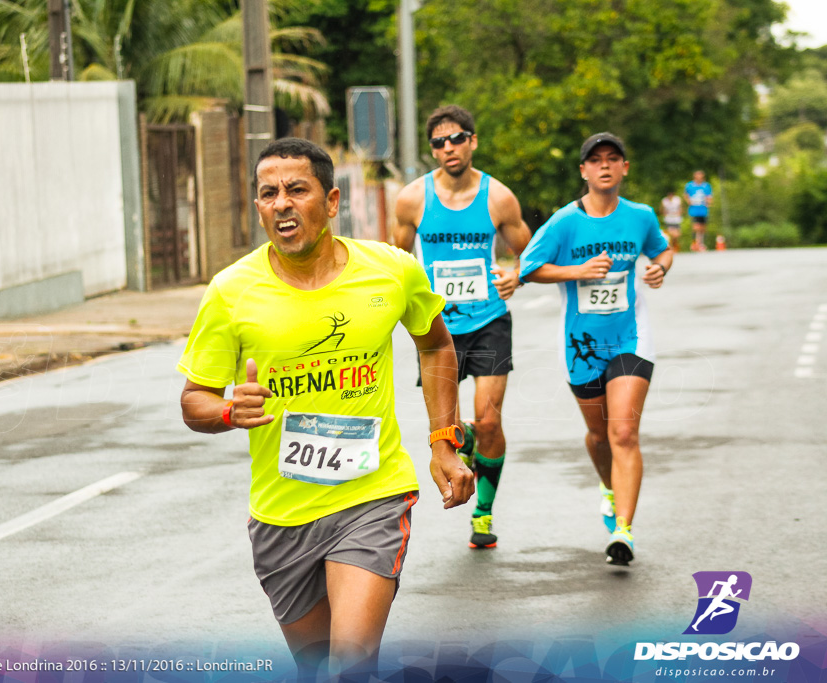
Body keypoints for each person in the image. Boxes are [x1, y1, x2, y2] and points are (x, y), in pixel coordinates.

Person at [177, 138, 474, 680]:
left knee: (352, 663)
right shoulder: (231, 291)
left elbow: (435, 345)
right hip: (281, 516)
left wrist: (442, 442)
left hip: (372, 497)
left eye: (297, 189)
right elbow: (193, 399)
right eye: (268, 194)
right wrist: (226, 412)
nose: (282, 203)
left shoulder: (391, 271)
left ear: (331, 201)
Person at [519, 132, 673, 566]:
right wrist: (577, 270)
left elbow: (662, 251)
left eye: (613, 158)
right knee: (598, 434)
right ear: (583, 170)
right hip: (581, 344)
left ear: (624, 168)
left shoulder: (640, 216)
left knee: (623, 432)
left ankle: (623, 530)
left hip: (630, 337)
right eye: (595, 160)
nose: (605, 165)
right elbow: (529, 269)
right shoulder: (565, 221)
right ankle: (609, 488)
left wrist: (659, 267)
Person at [394, 105, 532, 550]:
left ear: (473, 141)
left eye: (458, 138)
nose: (449, 148)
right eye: (439, 142)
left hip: (489, 320)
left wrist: (517, 272)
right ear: (432, 149)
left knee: (489, 421)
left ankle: (484, 513)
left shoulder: (498, 198)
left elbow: (528, 248)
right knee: (450, 432)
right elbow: (393, 262)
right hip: (436, 330)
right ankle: (464, 436)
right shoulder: (412, 199)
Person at [684, 170, 713, 251]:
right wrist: (689, 201)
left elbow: (709, 196)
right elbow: (686, 195)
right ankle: (694, 243)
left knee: (703, 228)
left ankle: (701, 243)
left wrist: (709, 202)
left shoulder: (706, 186)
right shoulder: (689, 185)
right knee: (696, 227)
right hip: (694, 209)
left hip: (703, 209)